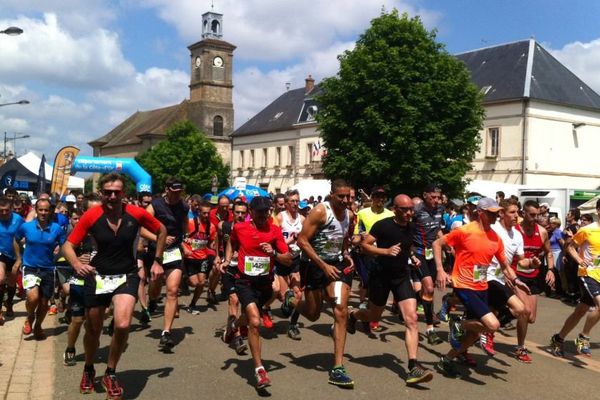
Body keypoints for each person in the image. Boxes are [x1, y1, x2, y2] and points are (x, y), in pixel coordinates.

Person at [62, 173, 167, 399]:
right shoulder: (92, 215)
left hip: (126, 275)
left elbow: (161, 231)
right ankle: (89, 367)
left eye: (116, 192)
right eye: (108, 192)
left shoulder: (135, 213)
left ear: (124, 194)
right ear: (101, 193)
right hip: (98, 276)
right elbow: (68, 245)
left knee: (122, 324)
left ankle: (110, 372)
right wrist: (76, 264)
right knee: (93, 329)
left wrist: (157, 260)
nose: (112, 196)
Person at [433, 197, 529, 378]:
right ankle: (457, 323)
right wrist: (440, 270)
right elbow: (437, 244)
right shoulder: (464, 231)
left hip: (482, 285)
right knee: (492, 324)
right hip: (464, 285)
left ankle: (446, 360)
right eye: (492, 213)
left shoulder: (495, 238)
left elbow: (505, 266)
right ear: (480, 213)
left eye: (497, 212)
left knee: (475, 333)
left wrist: (516, 280)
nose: (496, 215)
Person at [347, 194, 433, 385]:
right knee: (373, 316)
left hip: (401, 276)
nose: (410, 213)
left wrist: (412, 256)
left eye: (411, 209)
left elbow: (406, 245)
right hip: (381, 276)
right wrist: (385, 251)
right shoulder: (383, 225)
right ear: (395, 209)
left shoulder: (411, 226)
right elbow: (364, 245)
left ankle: (413, 366)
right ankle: (353, 315)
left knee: (411, 319)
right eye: (405, 209)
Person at [283, 179, 356, 388]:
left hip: (336, 267)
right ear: (332, 195)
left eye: (348, 197)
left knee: (341, 310)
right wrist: (323, 265)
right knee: (313, 314)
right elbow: (302, 241)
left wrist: (345, 253)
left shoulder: (349, 215)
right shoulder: (319, 212)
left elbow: (342, 238)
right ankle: (292, 300)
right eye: (340, 196)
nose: (345, 200)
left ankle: (338, 368)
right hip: (314, 266)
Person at [221, 196, 292, 389]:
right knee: (254, 321)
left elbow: (288, 259)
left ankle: (233, 324)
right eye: (259, 211)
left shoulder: (275, 231)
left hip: (265, 284)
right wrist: (227, 260)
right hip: (244, 281)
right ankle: (260, 371)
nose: (263, 215)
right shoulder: (240, 228)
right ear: (251, 212)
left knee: (247, 317)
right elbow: (232, 243)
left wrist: (274, 253)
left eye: (266, 211)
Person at [550, 198, 600, 357]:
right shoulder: (588, 230)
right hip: (588, 273)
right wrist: (579, 260)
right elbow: (570, 246)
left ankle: (558, 338)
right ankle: (583, 337)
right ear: (598, 211)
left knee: (580, 311)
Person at [144, 177, 189, 350]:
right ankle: (153, 300)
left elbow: (185, 226)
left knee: (172, 290)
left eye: (180, 192)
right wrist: (159, 238)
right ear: (167, 189)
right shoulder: (155, 205)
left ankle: (166, 332)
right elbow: (142, 228)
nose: (177, 195)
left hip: (175, 252)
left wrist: (185, 241)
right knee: (155, 285)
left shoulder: (184, 206)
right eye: (174, 192)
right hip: (157, 252)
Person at [480, 198, 528, 356]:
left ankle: (474, 333)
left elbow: (522, 262)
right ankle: (484, 333)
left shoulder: (518, 236)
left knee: (493, 314)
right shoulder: (492, 228)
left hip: (502, 277)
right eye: (512, 212)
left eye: (517, 212)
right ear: (502, 213)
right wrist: (477, 279)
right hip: (485, 274)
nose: (516, 216)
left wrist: (533, 263)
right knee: (518, 308)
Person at [512, 200, 555, 363]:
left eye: (537, 215)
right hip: (516, 275)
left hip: (533, 277)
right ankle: (520, 347)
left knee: (531, 318)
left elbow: (549, 252)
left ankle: (501, 312)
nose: (535, 218)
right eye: (532, 215)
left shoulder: (542, 232)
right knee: (524, 312)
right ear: (523, 213)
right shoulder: (515, 231)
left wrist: (551, 270)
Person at [17, 197, 66, 339]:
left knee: (44, 303)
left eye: (46, 210)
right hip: (30, 267)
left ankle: (38, 325)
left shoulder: (56, 229)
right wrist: (19, 258)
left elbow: (65, 246)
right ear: (36, 211)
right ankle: (30, 317)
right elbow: (16, 240)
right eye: (41, 210)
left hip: (48, 269)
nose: (43, 213)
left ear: (50, 211)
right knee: (33, 298)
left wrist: (59, 254)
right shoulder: (26, 227)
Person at [63, 195, 102, 366]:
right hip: (79, 282)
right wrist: (77, 261)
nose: (96, 214)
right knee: (78, 320)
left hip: (100, 283)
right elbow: (63, 252)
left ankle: (90, 351)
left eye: (99, 210)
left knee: (94, 322)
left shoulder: (109, 228)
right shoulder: (79, 231)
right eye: (91, 210)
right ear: (84, 211)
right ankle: (70, 347)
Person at [351, 186, 394, 332]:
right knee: (367, 283)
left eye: (383, 197)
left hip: (382, 254)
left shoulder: (390, 214)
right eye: (377, 196)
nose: (380, 199)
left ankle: (368, 313)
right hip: (364, 254)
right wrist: (359, 238)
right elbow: (357, 233)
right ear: (372, 197)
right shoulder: (362, 213)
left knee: (377, 286)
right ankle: (365, 310)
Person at [411, 184, 444, 345]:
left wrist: (448, 244)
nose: (437, 201)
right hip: (418, 253)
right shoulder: (416, 211)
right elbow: (406, 231)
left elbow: (437, 229)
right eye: (433, 197)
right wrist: (409, 253)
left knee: (426, 291)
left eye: (439, 197)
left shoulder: (440, 210)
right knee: (429, 288)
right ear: (425, 195)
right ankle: (430, 329)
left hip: (433, 253)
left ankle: (413, 298)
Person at [218, 201, 250, 355]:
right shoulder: (223, 226)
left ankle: (231, 328)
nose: (240, 215)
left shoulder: (250, 228)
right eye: (237, 212)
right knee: (234, 300)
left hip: (245, 269)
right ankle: (237, 338)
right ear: (233, 212)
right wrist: (218, 258)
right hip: (229, 268)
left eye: (243, 213)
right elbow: (216, 241)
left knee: (247, 304)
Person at [276, 189, 305, 340]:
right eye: (292, 201)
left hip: (296, 259)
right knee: (283, 295)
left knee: (298, 295)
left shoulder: (303, 219)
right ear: (286, 203)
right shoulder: (279, 218)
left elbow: (306, 240)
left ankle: (292, 326)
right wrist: (291, 240)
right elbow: (275, 241)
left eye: (297, 200)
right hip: (281, 258)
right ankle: (281, 306)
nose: (295, 203)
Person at [183, 198, 218, 313]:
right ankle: (184, 279)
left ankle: (193, 304)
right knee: (194, 283)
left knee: (202, 283)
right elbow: (181, 237)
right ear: (199, 212)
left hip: (202, 257)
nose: (207, 215)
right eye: (204, 213)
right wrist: (185, 245)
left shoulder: (211, 227)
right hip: (190, 257)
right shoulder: (191, 223)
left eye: (208, 213)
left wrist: (214, 248)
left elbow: (211, 242)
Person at [0, 196, 23, 324]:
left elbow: (26, 233)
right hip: (1, 253)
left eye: (6, 210)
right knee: (0, 278)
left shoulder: (18, 219)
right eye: (1, 210)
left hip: (15, 255)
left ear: (11, 209)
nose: (3, 213)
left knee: (12, 282)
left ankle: (9, 303)